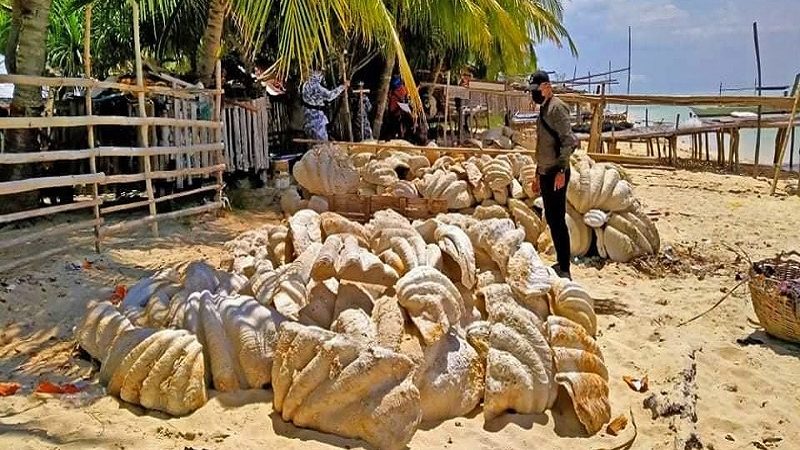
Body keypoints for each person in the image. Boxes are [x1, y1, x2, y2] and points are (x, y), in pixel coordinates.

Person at [529, 70, 577, 280]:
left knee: (557, 219)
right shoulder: (544, 110)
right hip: (546, 173)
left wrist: (560, 170)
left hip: (557, 173)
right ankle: (561, 262)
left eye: (536, 89)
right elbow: (542, 145)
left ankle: (565, 268)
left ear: (547, 87)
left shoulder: (557, 109)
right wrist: (537, 174)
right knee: (551, 217)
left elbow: (569, 141)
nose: (534, 94)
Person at [301, 70, 348, 141]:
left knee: (311, 141)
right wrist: (343, 87)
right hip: (316, 117)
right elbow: (329, 96)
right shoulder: (315, 86)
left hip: (307, 117)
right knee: (321, 141)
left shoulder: (304, 85)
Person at [386, 75, 412, 139]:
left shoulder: (395, 91)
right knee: (398, 125)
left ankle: (398, 135)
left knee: (397, 125)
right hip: (397, 111)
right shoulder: (403, 89)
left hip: (396, 112)